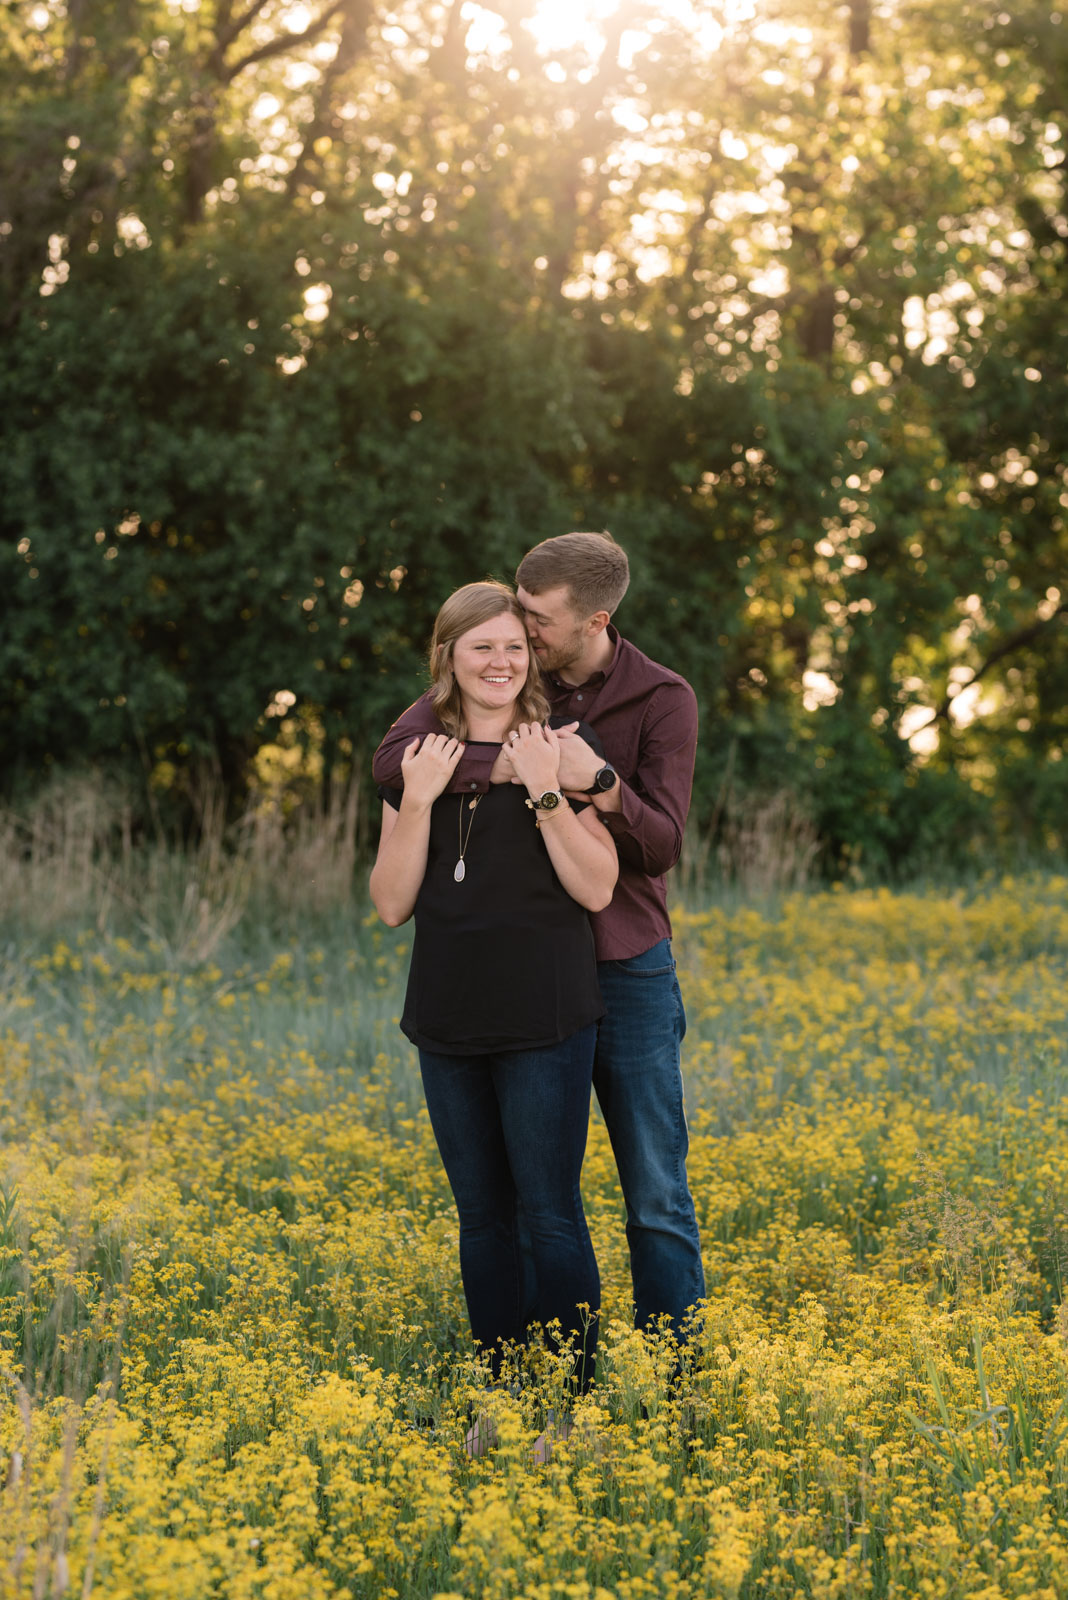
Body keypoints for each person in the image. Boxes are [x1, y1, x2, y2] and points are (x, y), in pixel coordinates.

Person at [373, 533, 706, 1340]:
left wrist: (585, 781)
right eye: (503, 627)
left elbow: (658, 846)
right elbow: (395, 764)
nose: (516, 641)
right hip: (492, 984)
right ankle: (520, 1376)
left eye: (531, 626)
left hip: (617, 964)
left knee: (651, 1191)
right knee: (503, 1207)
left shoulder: (659, 698)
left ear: (591, 621)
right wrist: (477, 775)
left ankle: (671, 1377)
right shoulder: (504, 687)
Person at [369, 580, 618, 1429]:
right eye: (481, 647)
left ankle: (572, 1407)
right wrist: (421, 803)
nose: (500, 662)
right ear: (449, 659)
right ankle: (502, 1398)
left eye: (513, 646)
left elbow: (597, 886)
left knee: (549, 1212)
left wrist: (546, 791)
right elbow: (391, 902)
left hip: (546, 1013)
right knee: (482, 1218)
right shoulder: (417, 760)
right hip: (447, 1015)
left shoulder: (559, 746)